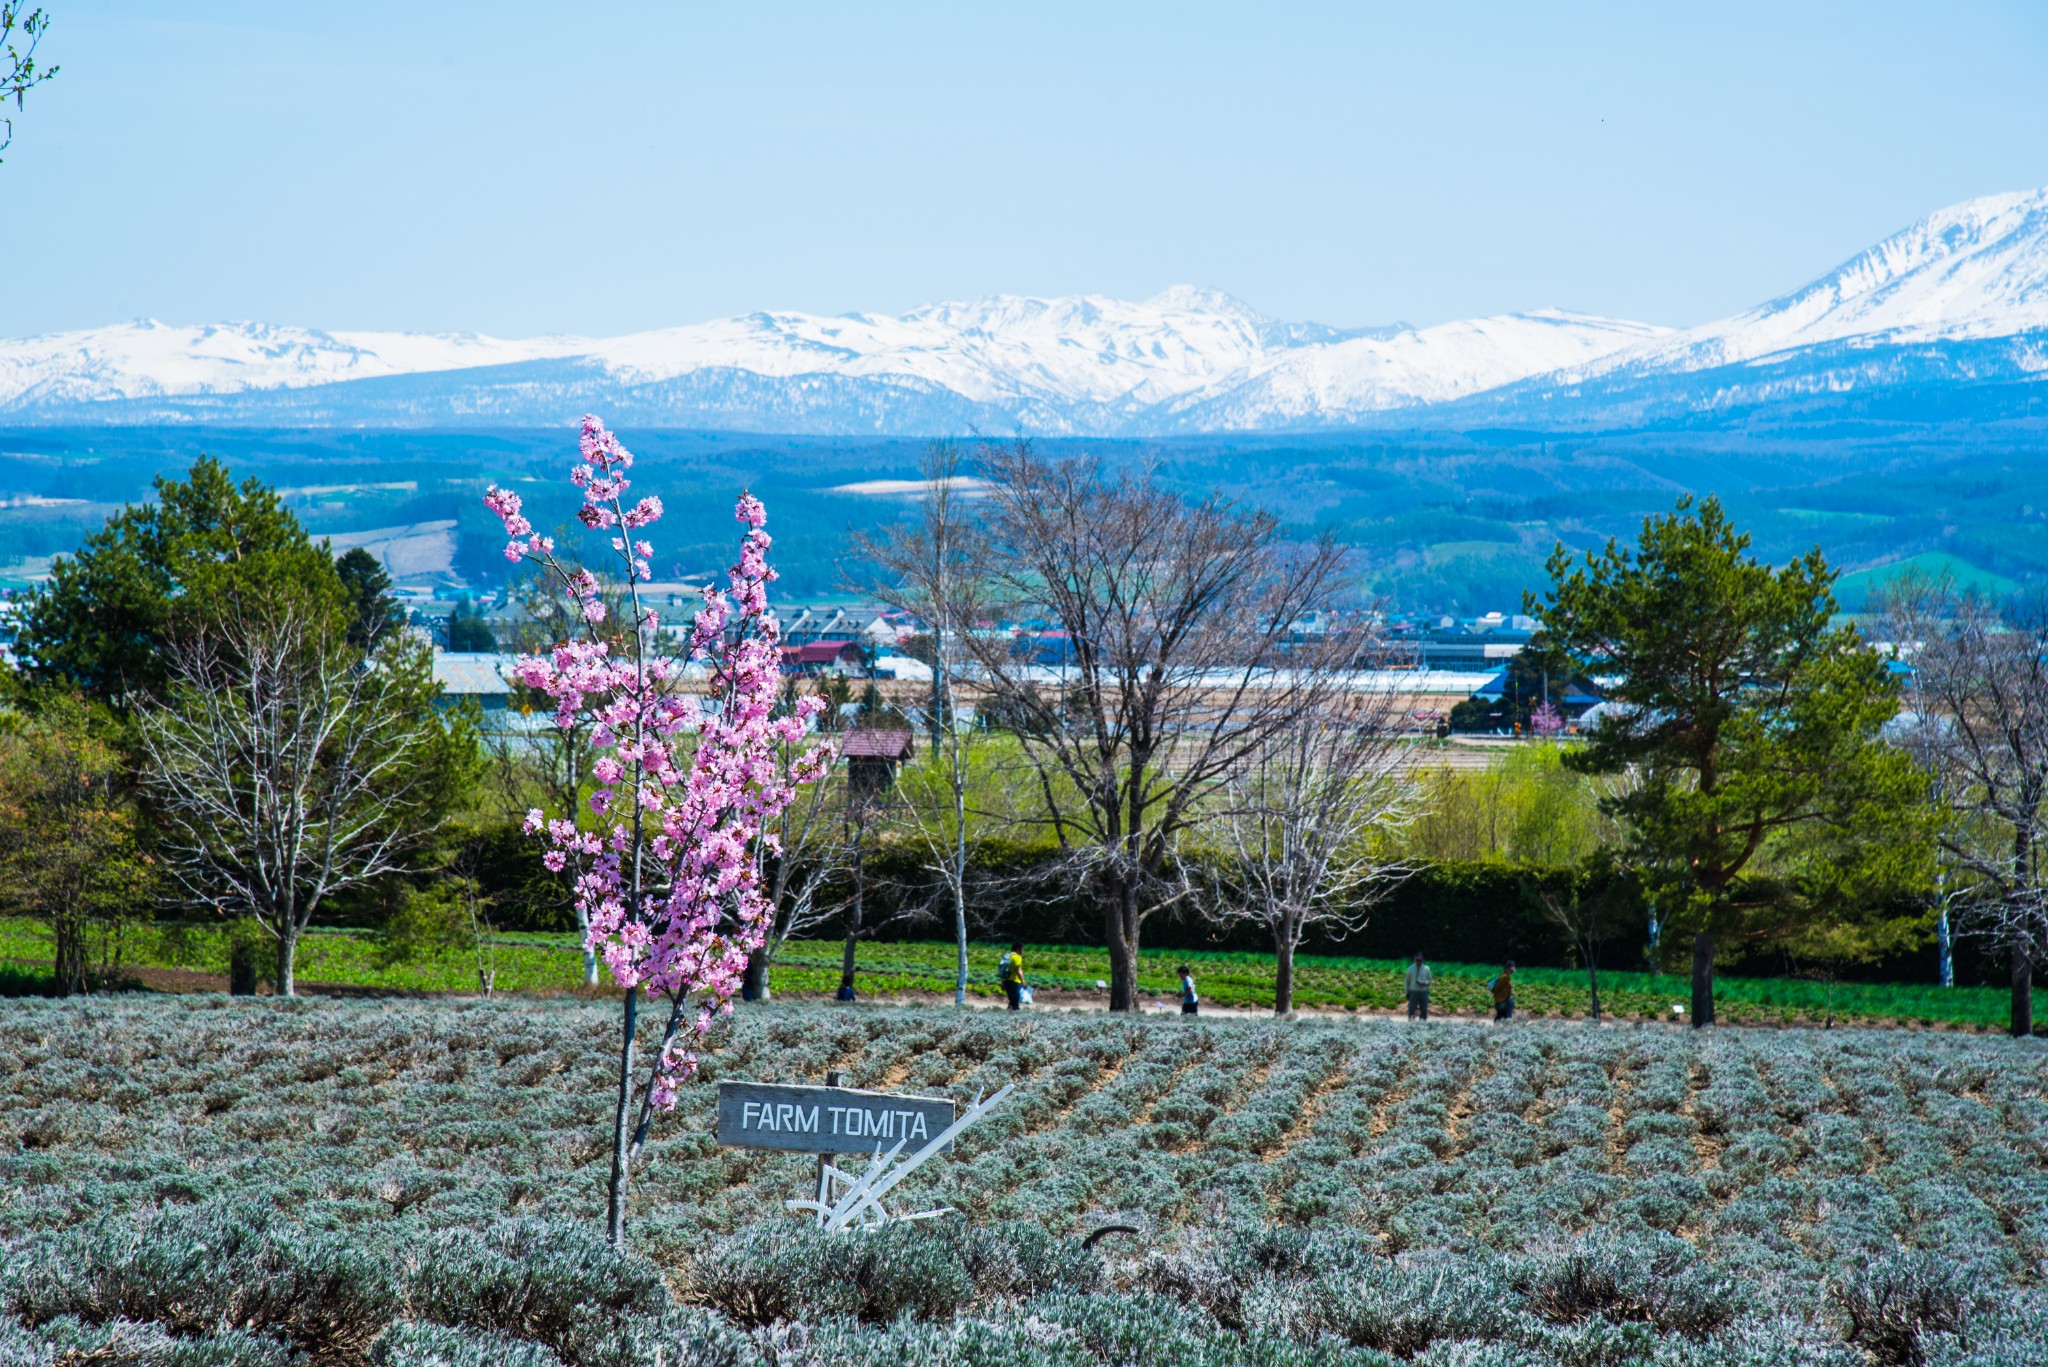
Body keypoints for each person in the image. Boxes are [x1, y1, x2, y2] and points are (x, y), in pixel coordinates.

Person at [999, 941, 1027, 1011]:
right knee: (1015, 1004)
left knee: (1012, 1002)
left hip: (1006, 981)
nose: (1023, 951)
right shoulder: (1017, 957)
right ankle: (1016, 1019)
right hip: (1015, 982)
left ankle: (1006, 1018)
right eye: (1022, 949)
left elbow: (1003, 970)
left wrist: (1002, 983)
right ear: (1018, 949)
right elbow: (1019, 971)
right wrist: (1023, 981)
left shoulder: (1007, 956)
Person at [1405, 952, 1432, 1020]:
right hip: (1413, 991)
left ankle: (1422, 1022)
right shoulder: (1410, 969)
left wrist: (1425, 983)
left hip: (1423, 991)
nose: (1418, 962)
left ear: (1423, 960)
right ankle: (1411, 1022)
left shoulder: (1427, 969)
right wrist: (1406, 992)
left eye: (1420, 960)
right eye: (1416, 960)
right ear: (1414, 960)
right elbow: (1406, 981)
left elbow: (1429, 979)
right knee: (1411, 1008)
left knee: (1424, 1009)